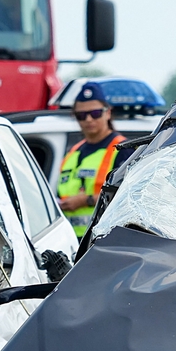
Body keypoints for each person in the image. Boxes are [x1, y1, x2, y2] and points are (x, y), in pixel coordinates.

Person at [57, 83, 126, 238]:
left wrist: (85, 200)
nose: (88, 119)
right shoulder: (73, 152)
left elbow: (127, 196)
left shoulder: (122, 150)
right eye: (81, 115)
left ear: (108, 113)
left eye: (95, 113)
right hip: (69, 241)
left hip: (102, 240)